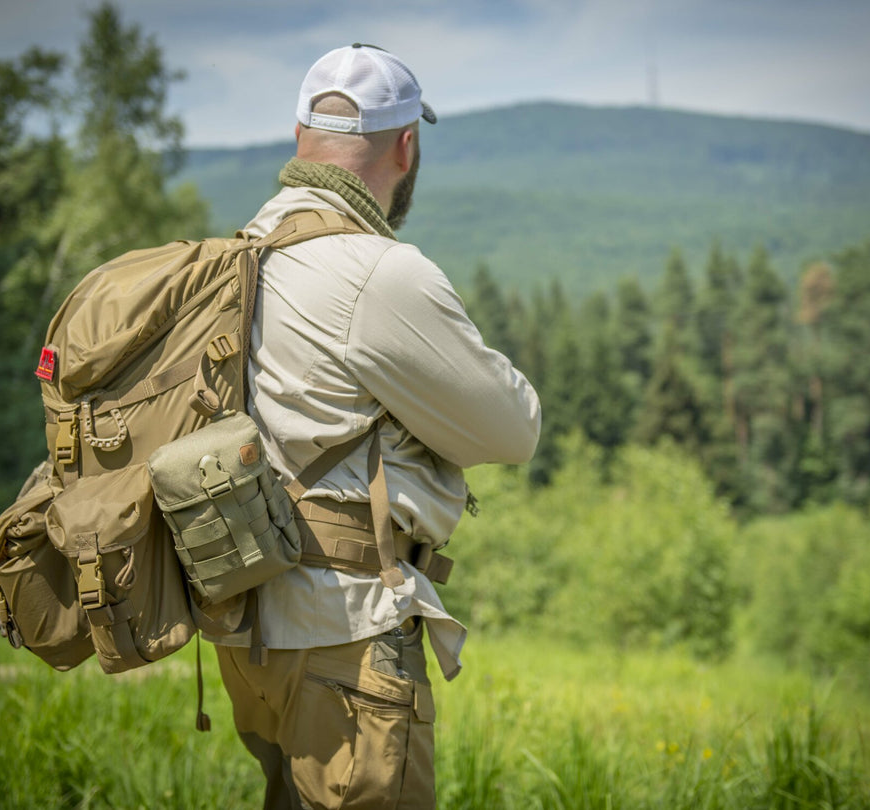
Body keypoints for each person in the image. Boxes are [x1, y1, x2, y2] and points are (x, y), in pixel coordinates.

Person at [209, 44, 542, 809]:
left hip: (249, 623)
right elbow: (513, 427)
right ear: (407, 147)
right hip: (344, 629)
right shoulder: (378, 272)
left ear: (300, 135)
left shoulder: (243, 250)